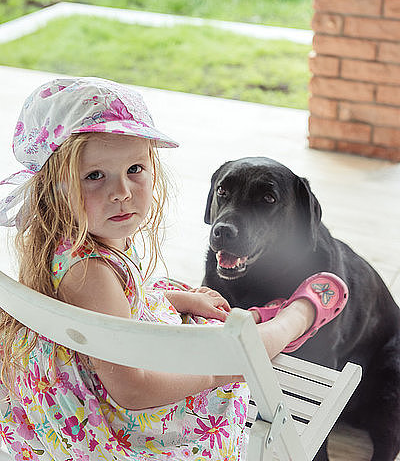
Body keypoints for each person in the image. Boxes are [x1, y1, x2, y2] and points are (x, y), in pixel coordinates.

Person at [0, 76, 348, 461]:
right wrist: (215, 374)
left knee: (185, 300)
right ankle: (295, 318)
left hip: (84, 373)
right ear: (55, 186)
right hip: (125, 426)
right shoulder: (90, 272)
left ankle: (257, 319)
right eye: (94, 176)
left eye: (135, 168)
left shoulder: (71, 242)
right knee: (236, 347)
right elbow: (132, 390)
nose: (122, 192)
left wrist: (177, 299)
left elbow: (108, 307)